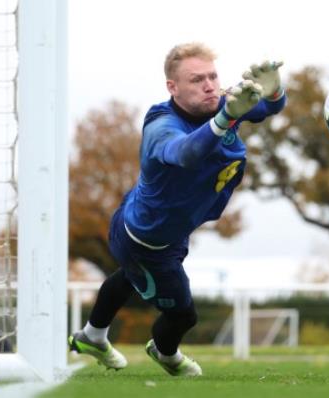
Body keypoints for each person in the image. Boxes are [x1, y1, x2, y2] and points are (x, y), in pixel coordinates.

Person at [68, 42, 286, 377]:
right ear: (173, 87)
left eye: (213, 76)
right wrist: (227, 117)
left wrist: (274, 91)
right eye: (197, 79)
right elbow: (186, 154)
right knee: (184, 316)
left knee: (129, 275)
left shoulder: (222, 102)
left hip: (145, 218)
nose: (210, 85)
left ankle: (93, 336)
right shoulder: (161, 126)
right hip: (149, 240)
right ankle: (165, 353)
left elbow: (269, 109)